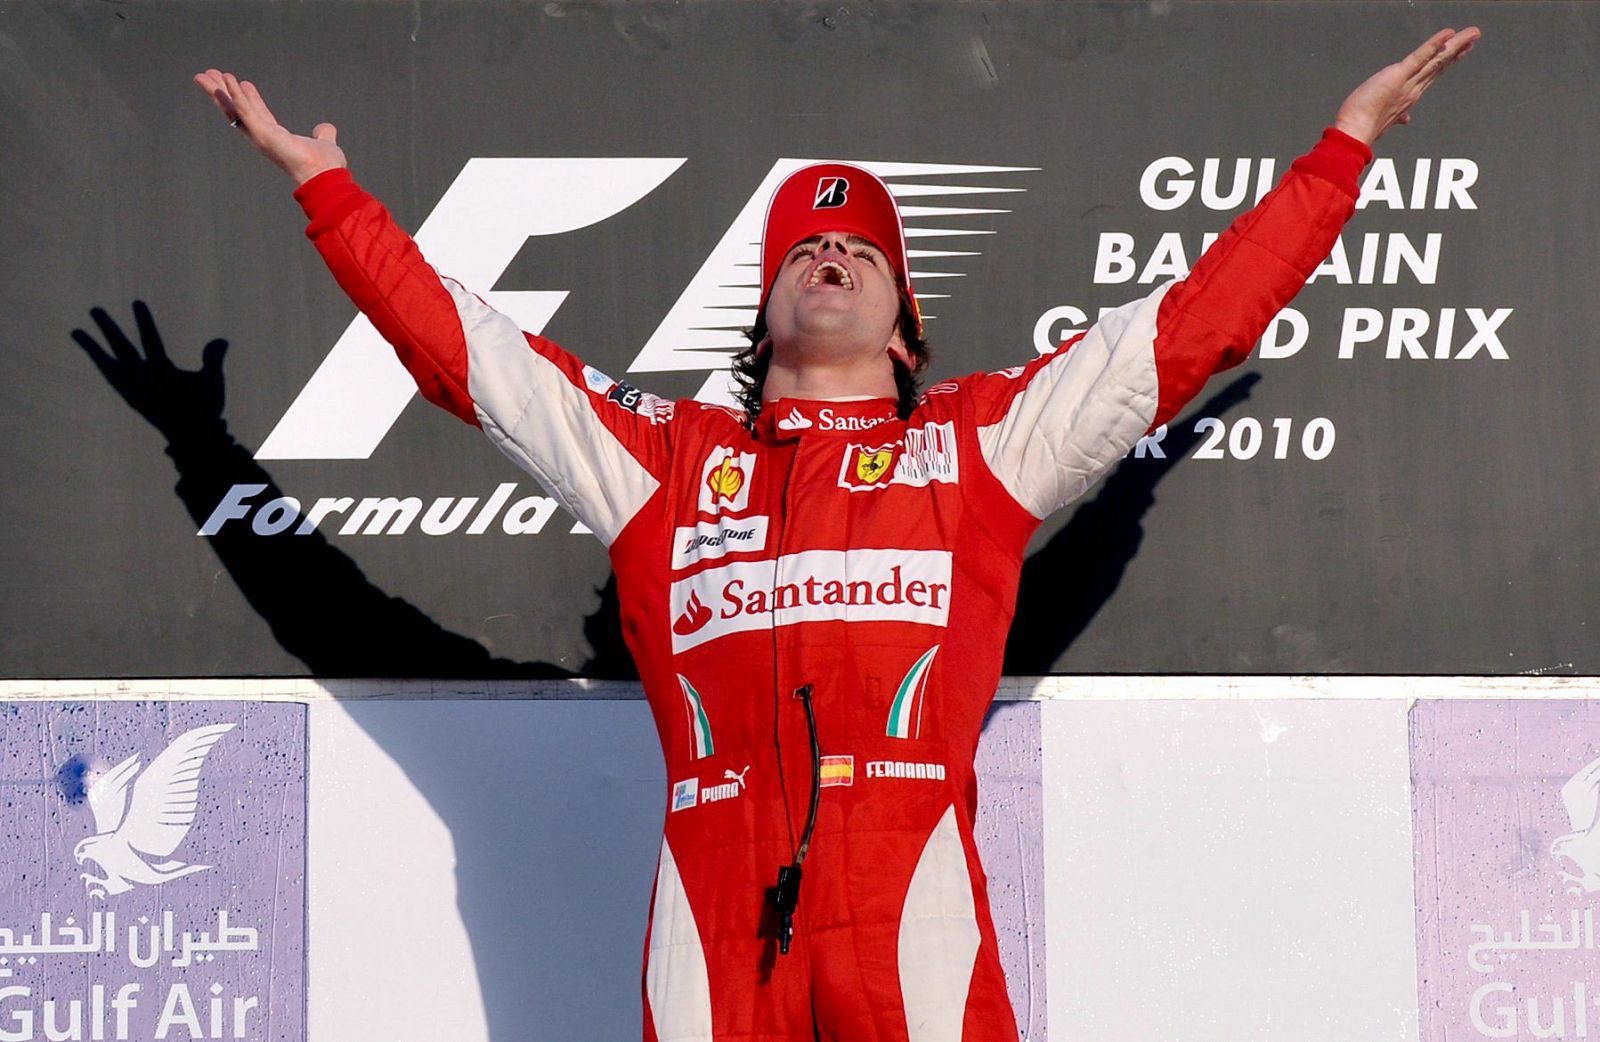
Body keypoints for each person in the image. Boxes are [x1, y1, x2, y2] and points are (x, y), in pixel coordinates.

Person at [196, 27, 1477, 1041]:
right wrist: (330, 194)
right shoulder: (664, 462)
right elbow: (465, 353)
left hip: (903, 894)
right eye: (803, 244)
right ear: (759, 321)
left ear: (906, 317)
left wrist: (1343, 148)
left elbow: (1191, 327)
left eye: (855, 244)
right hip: (711, 895)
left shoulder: (980, 445)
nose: (826, 253)